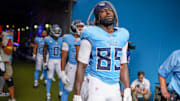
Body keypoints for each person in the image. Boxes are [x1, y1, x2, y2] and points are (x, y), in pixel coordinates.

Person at [73, 1, 132, 101]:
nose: (108, 12)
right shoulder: (90, 33)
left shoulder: (122, 34)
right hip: (96, 83)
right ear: (97, 17)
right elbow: (81, 65)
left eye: (110, 10)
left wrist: (127, 88)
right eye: (103, 11)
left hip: (115, 86)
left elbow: (123, 65)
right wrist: (77, 94)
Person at [60, 20, 85, 101]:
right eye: (79, 27)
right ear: (73, 28)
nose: (80, 29)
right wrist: (63, 71)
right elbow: (64, 56)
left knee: (82, 92)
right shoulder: (67, 38)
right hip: (72, 66)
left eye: (82, 27)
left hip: (84, 68)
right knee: (68, 88)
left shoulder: (85, 38)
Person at [43, 24, 64, 101]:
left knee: (61, 77)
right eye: (55, 31)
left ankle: (60, 92)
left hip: (59, 60)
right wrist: (45, 62)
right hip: (51, 60)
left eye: (58, 31)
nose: (57, 32)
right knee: (49, 77)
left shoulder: (62, 40)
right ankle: (48, 94)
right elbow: (44, 52)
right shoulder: (48, 39)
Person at [0, 25, 15, 101]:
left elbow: (9, 52)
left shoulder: (8, 38)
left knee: (8, 78)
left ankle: (12, 98)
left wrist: (2, 45)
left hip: (5, 61)